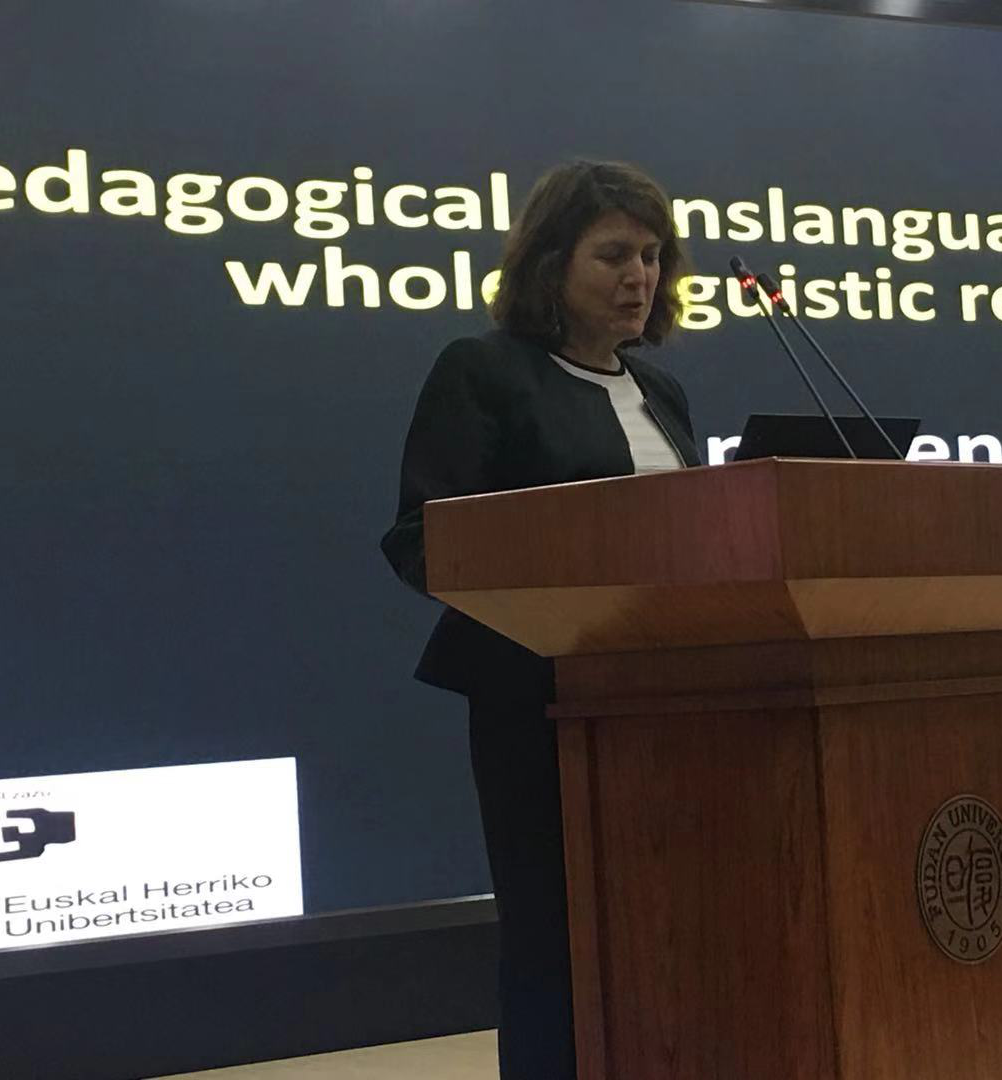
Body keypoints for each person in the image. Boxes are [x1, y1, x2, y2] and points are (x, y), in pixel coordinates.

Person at [380, 160, 702, 1080]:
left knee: (674, 924)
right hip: (539, 697)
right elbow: (423, 537)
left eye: (652, 256)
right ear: (552, 263)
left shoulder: (662, 393)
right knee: (555, 933)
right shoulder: (484, 372)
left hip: (677, 698)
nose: (639, 276)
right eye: (614, 255)